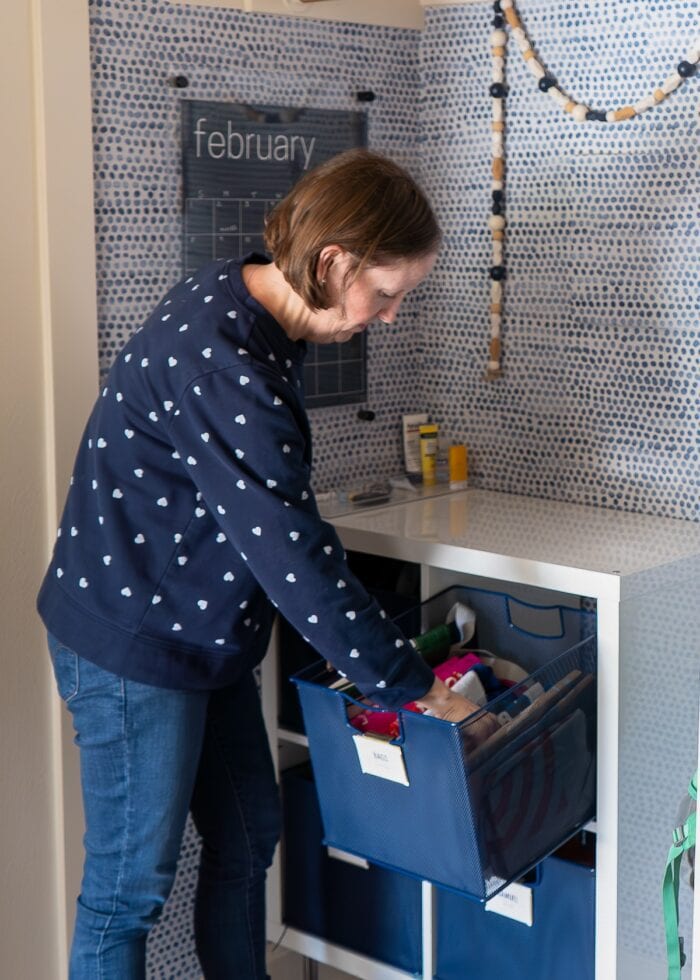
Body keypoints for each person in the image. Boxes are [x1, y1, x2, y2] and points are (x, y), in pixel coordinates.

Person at [37, 148, 493, 980]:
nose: (389, 316)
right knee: (127, 891)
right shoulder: (227, 361)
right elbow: (295, 560)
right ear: (332, 262)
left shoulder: (246, 296)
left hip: (198, 632)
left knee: (248, 836)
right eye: (386, 293)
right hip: (135, 639)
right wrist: (418, 689)